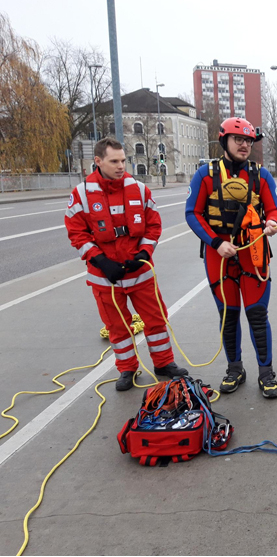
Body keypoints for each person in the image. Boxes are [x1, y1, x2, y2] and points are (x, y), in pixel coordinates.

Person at [65, 138, 188, 391]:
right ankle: (127, 369)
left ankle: (163, 363)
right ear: (97, 162)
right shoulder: (82, 194)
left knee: (156, 321)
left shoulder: (140, 189)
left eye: (123, 160)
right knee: (117, 327)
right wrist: (100, 260)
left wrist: (144, 253)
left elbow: (153, 225)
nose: (121, 166)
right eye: (114, 161)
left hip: (140, 272)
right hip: (105, 276)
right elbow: (77, 232)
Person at [185, 118, 277, 397]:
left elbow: (275, 209)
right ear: (224, 141)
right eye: (238, 139)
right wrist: (216, 243)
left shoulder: (261, 175)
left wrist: (273, 223)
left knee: (257, 315)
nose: (244, 145)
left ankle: (266, 373)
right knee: (228, 316)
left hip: (253, 254)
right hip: (220, 257)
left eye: (249, 141)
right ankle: (234, 369)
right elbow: (192, 213)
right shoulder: (205, 174)